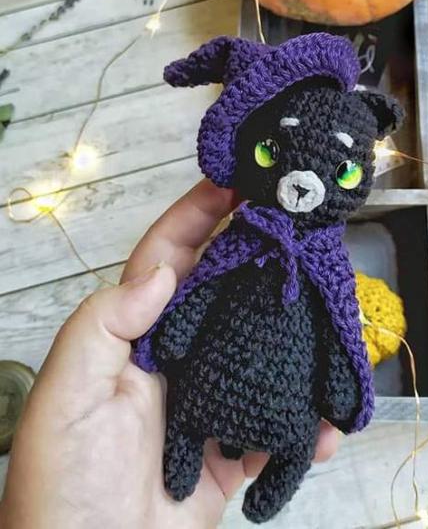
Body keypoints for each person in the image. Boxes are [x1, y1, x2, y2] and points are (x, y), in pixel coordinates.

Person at [0, 179, 339, 529]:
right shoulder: (241, 238)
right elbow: (205, 286)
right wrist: (175, 332)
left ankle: (273, 476)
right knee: (191, 414)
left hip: (278, 405)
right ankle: (186, 452)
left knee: (302, 443)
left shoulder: (328, 263)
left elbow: (338, 328)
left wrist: (341, 386)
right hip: (207, 388)